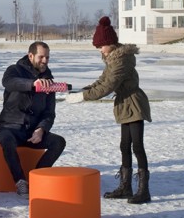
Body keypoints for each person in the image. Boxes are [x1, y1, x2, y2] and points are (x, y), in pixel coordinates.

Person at [65, 16, 152, 204]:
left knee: (137, 146)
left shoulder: (122, 60)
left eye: (101, 46)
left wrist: (84, 97)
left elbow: (108, 86)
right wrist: (84, 90)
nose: (100, 50)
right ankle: (126, 187)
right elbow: (102, 80)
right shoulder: (113, 59)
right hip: (123, 104)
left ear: (110, 43)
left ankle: (143, 190)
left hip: (134, 103)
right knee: (124, 145)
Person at [0, 41, 67, 196]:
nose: (45, 61)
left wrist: (41, 129)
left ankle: (36, 178)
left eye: (47, 57)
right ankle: (20, 181)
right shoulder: (14, 70)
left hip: (32, 133)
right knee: (7, 140)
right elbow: (9, 82)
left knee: (58, 142)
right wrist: (33, 84)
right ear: (30, 56)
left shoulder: (49, 80)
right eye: (41, 57)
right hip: (10, 127)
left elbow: (49, 113)